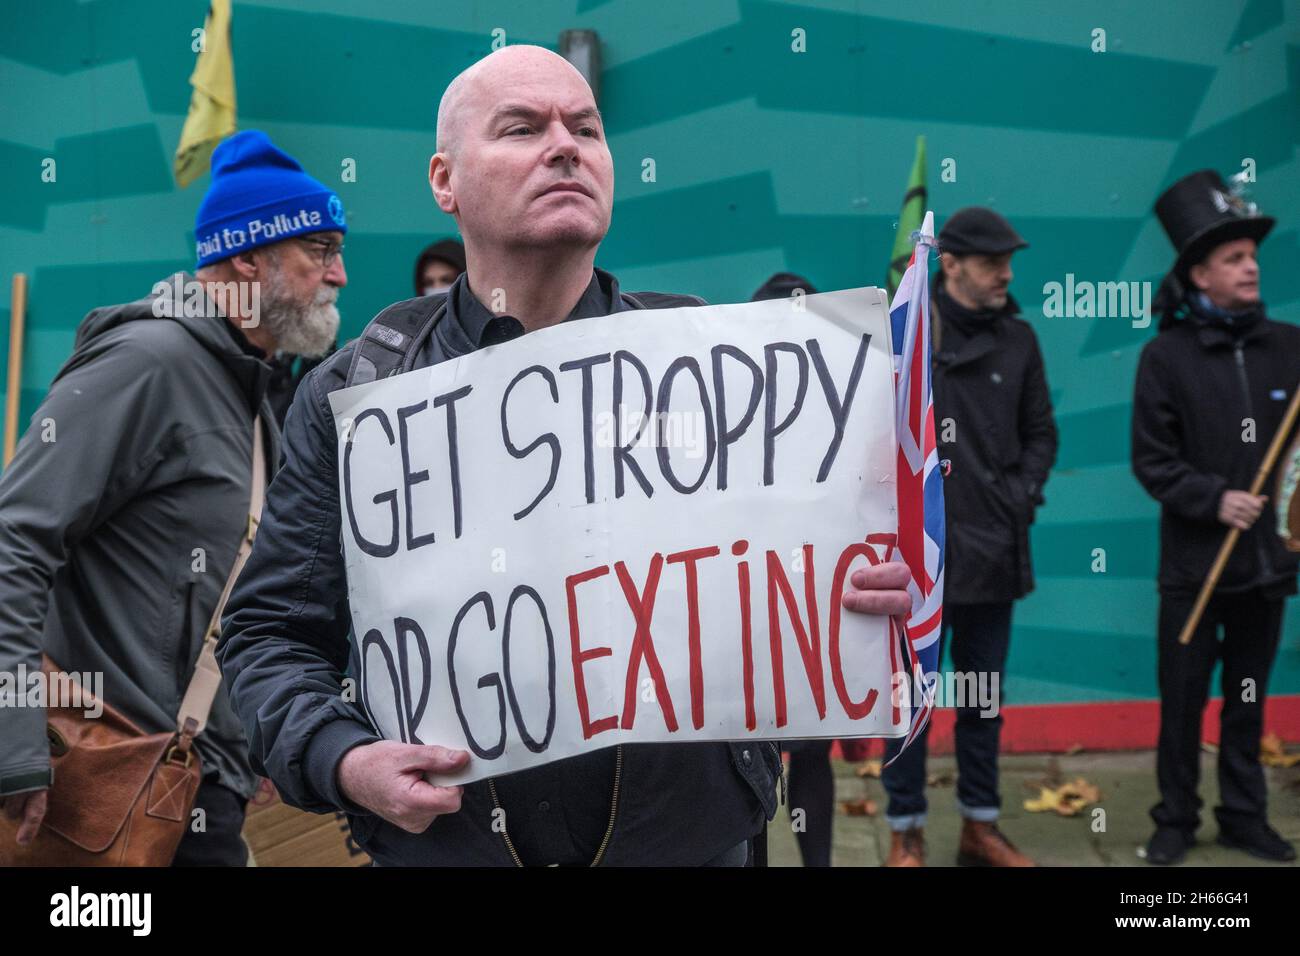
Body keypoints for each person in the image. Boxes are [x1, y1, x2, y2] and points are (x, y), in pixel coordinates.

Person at [217, 45, 911, 867]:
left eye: (586, 127)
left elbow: (781, 647)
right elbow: (267, 635)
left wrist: (848, 613)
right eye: (521, 128)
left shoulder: (719, 372)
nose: (565, 145)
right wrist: (342, 759)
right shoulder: (360, 396)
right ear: (444, 180)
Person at [0, 129, 347, 865]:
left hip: (195, 789)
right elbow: (13, 539)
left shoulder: (251, 388)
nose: (339, 274)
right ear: (248, 258)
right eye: (318, 250)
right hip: (96, 785)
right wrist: (11, 737)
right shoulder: (146, 362)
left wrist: (245, 740)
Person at [882, 207, 1057, 867]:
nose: (1005, 275)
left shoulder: (1020, 340)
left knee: (983, 700)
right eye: (992, 263)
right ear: (948, 263)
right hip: (916, 562)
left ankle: (979, 826)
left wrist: (1017, 496)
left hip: (993, 552)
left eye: (1009, 262)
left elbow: (1042, 433)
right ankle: (905, 828)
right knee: (910, 701)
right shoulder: (908, 335)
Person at [1134, 169, 1299, 865]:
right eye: (1232, 258)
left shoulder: (1290, 347)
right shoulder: (1165, 357)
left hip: (1265, 565)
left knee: (1247, 701)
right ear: (1199, 273)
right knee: (1182, 703)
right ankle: (1174, 817)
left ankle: (1243, 815)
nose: (1250, 266)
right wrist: (1215, 498)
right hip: (1195, 567)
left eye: (1252, 255)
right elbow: (1153, 461)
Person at [750, 271, 835, 868]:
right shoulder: (722, 411)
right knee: (743, 758)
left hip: (813, 609)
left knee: (810, 752)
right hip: (745, 611)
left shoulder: (843, 411)